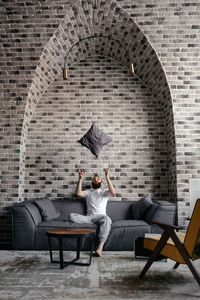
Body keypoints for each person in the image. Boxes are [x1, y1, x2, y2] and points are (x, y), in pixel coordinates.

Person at [69, 167, 115, 257]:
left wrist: (107, 177)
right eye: (94, 179)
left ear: (102, 183)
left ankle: (100, 248)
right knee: (71, 216)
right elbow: (78, 193)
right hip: (89, 218)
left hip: (101, 217)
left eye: (98, 179)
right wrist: (80, 178)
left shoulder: (104, 192)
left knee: (107, 219)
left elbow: (113, 192)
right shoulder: (88, 193)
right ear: (92, 183)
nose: (96, 180)